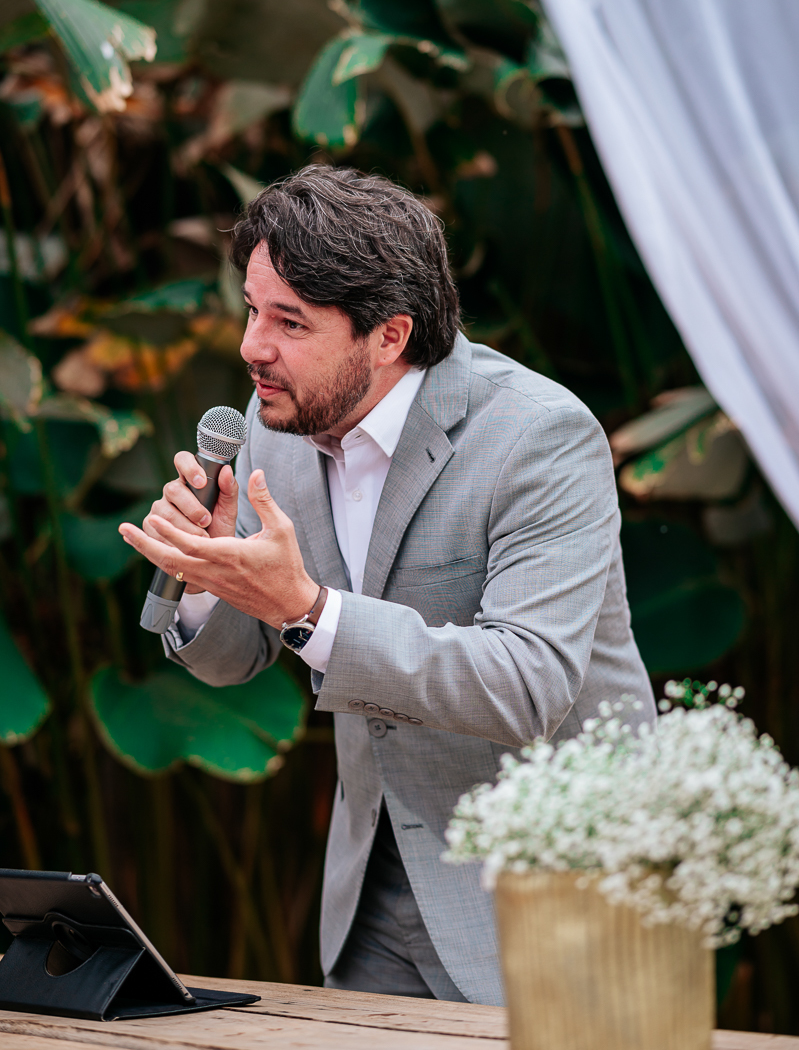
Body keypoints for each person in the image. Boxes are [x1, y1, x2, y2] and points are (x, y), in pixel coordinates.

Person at [120, 164, 656, 1005]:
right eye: (253, 310)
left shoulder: (538, 437)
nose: (252, 346)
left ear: (389, 335)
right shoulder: (275, 425)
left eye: (289, 322)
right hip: (374, 889)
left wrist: (307, 607)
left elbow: (529, 684)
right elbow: (235, 660)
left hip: (550, 893)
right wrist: (209, 577)